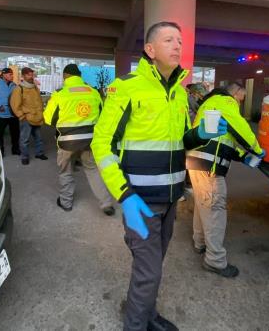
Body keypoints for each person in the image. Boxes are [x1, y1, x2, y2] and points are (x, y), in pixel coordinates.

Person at [91, 21, 227, 331]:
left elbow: (179, 142)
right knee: (149, 270)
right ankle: (137, 324)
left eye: (179, 40)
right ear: (150, 50)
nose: (177, 45)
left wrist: (200, 134)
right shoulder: (126, 87)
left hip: (169, 199)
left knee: (151, 267)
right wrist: (124, 195)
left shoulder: (180, 95)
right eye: (169, 40)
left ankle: (145, 314)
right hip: (138, 202)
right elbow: (101, 143)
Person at [186, 83, 264, 277]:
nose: (241, 101)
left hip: (196, 160)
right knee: (214, 208)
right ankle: (215, 260)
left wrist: (240, 155)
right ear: (235, 93)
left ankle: (200, 242)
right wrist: (258, 150)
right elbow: (240, 129)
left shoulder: (210, 102)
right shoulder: (226, 101)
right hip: (209, 165)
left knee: (203, 203)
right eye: (242, 97)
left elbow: (224, 137)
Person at [43, 64, 115, 215]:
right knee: (93, 170)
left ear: (65, 76)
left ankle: (66, 203)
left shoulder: (59, 94)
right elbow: (102, 116)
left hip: (67, 142)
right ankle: (106, 204)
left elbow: (49, 119)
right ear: (79, 76)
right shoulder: (94, 92)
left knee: (66, 171)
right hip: (90, 140)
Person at [10, 67, 47, 165]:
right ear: (23, 76)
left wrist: (41, 114)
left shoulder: (35, 87)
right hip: (26, 118)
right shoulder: (19, 88)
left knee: (39, 138)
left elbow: (39, 102)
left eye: (32, 74)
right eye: (28, 75)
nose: (31, 76)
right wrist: (21, 116)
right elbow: (15, 104)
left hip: (37, 117)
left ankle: (39, 153)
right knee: (24, 139)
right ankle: (24, 156)